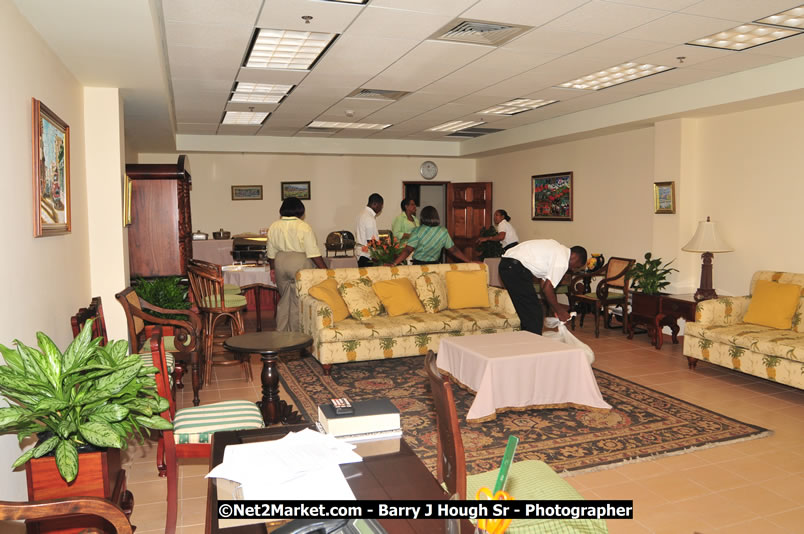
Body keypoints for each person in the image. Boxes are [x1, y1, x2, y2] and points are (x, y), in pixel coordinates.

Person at [499, 240, 587, 335]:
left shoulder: (557, 250)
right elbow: (547, 288)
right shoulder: (563, 260)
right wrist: (560, 310)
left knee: (528, 312)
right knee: (533, 313)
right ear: (576, 258)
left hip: (508, 265)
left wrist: (554, 309)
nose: (573, 269)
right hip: (515, 268)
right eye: (577, 266)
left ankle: (526, 341)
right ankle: (532, 345)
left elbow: (544, 285)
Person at [266, 197, 327, 332]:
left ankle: (282, 332)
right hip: (298, 262)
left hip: (280, 261)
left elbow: (270, 252)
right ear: (301, 210)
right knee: (297, 300)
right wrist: (325, 270)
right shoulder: (303, 226)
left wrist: (272, 269)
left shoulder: (274, 226)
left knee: (284, 299)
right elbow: (313, 252)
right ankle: (296, 334)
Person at [392, 206, 475, 266]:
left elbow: (407, 250)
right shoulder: (443, 231)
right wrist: (469, 261)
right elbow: (454, 250)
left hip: (418, 266)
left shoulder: (417, 231)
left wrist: (394, 263)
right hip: (434, 266)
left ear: (422, 217)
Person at [356, 193, 384, 268]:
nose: (381, 209)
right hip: (367, 256)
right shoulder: (369, 218)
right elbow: (371, 242)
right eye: (381, 206)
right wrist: (383, 251)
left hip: (362, 255)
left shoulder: (361, 214)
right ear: (375, 204)